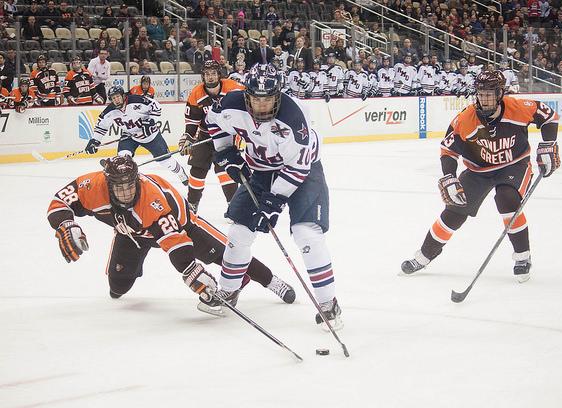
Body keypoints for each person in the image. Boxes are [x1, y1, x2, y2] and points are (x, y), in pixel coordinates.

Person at [46, 156, 295, 311]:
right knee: (117, 288)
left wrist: (191, 272)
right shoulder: (92, 186)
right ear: (107, 182)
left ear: (137, 180)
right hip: (131, 235)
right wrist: (65, 224)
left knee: (230, 255)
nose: (124, 192)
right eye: (118, 187)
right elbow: (59, 201)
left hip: (185, 228)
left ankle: (272, 281)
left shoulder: (151, 200)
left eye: (129, 185)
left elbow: (175, 242)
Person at [204, 64, 343, 329]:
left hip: (303, 171)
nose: (262, 105)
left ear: (278, 95)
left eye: (268, 98)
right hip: (261, 170)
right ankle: (229, 291)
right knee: (239, 234)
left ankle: (328, 303)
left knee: (306, 234)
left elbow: (298, 166)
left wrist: (275, 201)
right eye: (256, 98)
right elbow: (214, 123)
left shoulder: (294, 117)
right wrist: (226, 153)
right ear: (247, 95)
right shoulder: (231, 104)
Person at [401, 71, 561, 283]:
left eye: (489, 94)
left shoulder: (518, 108)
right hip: (478, 170)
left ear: (500, 93)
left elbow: (549, 116)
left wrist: (548, 143)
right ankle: (424, 255)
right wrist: (450, 177)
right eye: (480, 93)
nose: (484, 99)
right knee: (454, 211)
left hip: (514, 165)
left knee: (507, 199)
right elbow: (448, 151)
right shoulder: (465, 119)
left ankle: (522, 257)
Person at [84, 86, 189, 186]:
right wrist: (95, 140)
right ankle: (129, 182)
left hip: (150, 136)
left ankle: (180, 172)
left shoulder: (136, 100)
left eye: (118, 96)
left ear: (123, 96)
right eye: (113, 98)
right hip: (130, 136)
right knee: (122, 158)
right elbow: (101, 126)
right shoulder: (109, 111)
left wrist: (150, 121)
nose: (116, 100)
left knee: (166, 162)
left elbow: (156, 106)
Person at [178, 61, 244, 213]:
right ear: (203, 76)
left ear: (219, 74)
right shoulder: (196, 93)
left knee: (225, 170)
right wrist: (188, 136)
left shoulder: (234, 88)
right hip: (205, 136)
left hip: (227, 136)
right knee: (197, 170)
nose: (210, 77)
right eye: (207, 74)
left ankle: (233, 206)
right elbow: (192, 121)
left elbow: (246, 107)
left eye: (213, 73)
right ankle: (192, 204)